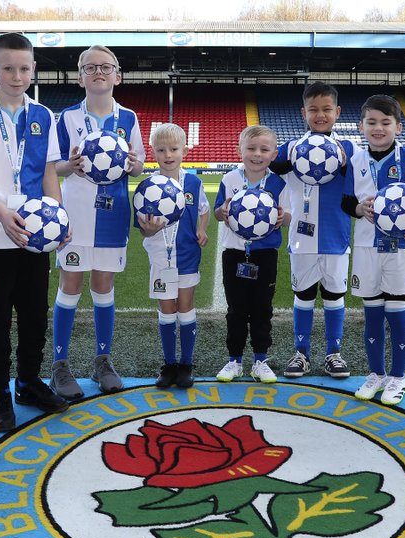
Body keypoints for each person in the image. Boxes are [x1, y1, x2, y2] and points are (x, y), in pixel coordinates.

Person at [0, 32, 67, 433]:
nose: (17, 75)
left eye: (24, 68)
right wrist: (2, 214)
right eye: (8, 68)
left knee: (35, 315)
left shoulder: (42, 115)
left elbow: (49, 171)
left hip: (36, 236)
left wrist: (60, 216)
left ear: (33, 69)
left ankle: (28, 382)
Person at [50, 45, 145, 399]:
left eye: (106, 67)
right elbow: (54, 165)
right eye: (90, 67)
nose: (98, 72)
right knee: (70, 284)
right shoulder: (68, 119)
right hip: (74, 216)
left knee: (103, 285)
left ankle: (102, 361)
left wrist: (134, 164)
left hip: (112, 215)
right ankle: (60, 365)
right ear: (80, 77)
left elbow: (137, 166)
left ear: (117, 76)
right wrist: (69, 166)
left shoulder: (129, 119)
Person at [342, 95, 405, 406]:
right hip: (365, 245)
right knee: (371, 313)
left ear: (397, 126)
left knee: (396, 311)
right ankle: (376, 373)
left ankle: (398, 376)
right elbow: (345, 201)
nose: (378, 128)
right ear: (361, 126)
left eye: (385, 122)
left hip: (397, 247)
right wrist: (357, 208)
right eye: (371, 122)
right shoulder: (355, 160)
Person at [269, 81, 356, 379]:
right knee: (303, 296)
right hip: (301, 239)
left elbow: (362, 180)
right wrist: (292, 157)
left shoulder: (349, 148)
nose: (321, 115)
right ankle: (301, 354)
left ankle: (334, 353)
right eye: (314, 109)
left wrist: (345, 163)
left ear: (338, 112)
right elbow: (273, 168)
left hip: (336, 238)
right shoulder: (293, 147)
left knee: (334, 297)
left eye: (327, 109)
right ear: (303, 112)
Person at [213, 125, 291, 383]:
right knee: (236, 309)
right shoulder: (229, 180)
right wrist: (222, 212)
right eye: (251, 148)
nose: (257, 154)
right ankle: (234, 360)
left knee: (261, 308)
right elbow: (217, 212)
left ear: (273, 154)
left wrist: (282, 217)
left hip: (265, 254)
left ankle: (260, 359)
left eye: (264, 150)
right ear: (239, 151)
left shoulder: (279, 183)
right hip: (235, 253)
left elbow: (288, 215)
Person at [134, 123, 210, 388]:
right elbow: (143, 230)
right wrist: (149, 229)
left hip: (188, 256)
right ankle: (168, 365)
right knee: (167, 309)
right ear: (153, 152)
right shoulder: (146, 188)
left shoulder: (194, 182)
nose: (168, 154)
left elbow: (203, 209)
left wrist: (201, 229)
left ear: (185, 151)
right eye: (162, 149)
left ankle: (186, 364)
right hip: (159, 257)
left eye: (174, 149)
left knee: (185, 307)